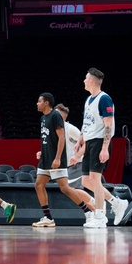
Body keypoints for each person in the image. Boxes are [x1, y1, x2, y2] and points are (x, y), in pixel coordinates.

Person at [70, 67, 127, 229]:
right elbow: (86, 123)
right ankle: (116, 203)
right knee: (86, 181)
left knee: (95, 179)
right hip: (89, 142)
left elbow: (108, 125)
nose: (83, 80)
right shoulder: (88, 100)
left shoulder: (104, 99)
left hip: (100, 142)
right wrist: (80, 139)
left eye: (85, 78)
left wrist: (104, 148)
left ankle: (100, 217)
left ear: (92, 81)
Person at [32, 93, 93, 227]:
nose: (37, 103)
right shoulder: (43, 118)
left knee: (65, 188)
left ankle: (88, 212)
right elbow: (47, 139)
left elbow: (61, 138)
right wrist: (42, 152)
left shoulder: (55, 116)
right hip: (45, 160)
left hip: (56, 159)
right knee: (38, 185)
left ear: (46, 103)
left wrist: (58, 158)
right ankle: (48, 218)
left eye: (39, 101)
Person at [55, 103, 84, 190]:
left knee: (75, 193)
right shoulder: (55, 129)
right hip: (62, 168)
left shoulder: (71, 129)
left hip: (75, 167)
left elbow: (86, 144)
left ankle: (92, 202)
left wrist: (77, 156)